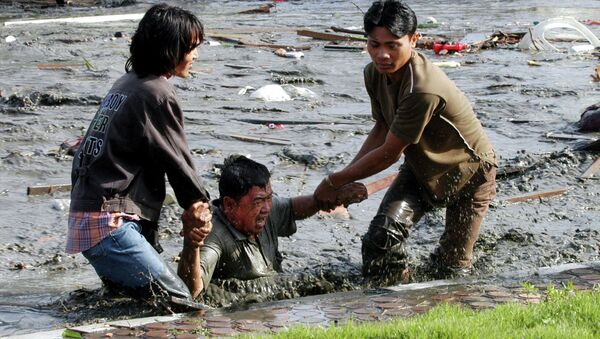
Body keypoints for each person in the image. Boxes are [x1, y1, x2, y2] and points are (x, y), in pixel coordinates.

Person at [314, 0, 497, 281]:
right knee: (381, 239)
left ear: (414, 40)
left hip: (469, 173)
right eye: (374, 45)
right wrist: (346, 181)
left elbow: (389, 153)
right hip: (421, 168)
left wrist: (333, 181)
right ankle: (391, 300)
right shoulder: (373, 73)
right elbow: (382, 128)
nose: (382, 55)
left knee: (453, 270)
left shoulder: (422, 89)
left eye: (393, 45)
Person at [66, 4, 212, 304]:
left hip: (89, 217)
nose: (195, 55)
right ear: (171, 49)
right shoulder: (156, 92)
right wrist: (198, 203)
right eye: (191, 47)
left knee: (132, 304)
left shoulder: (127, 83)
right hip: (109, 224)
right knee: (179, 303)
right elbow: (177, 160)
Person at [184, 155, 366, 294]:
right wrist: (192, 246)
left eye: (269, 198)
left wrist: (330, 198)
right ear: (230, 205)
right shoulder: (214, 235)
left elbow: (295, 208)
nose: (266, 208)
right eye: (258, 201)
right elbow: (192, 291)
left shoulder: (268, 209)